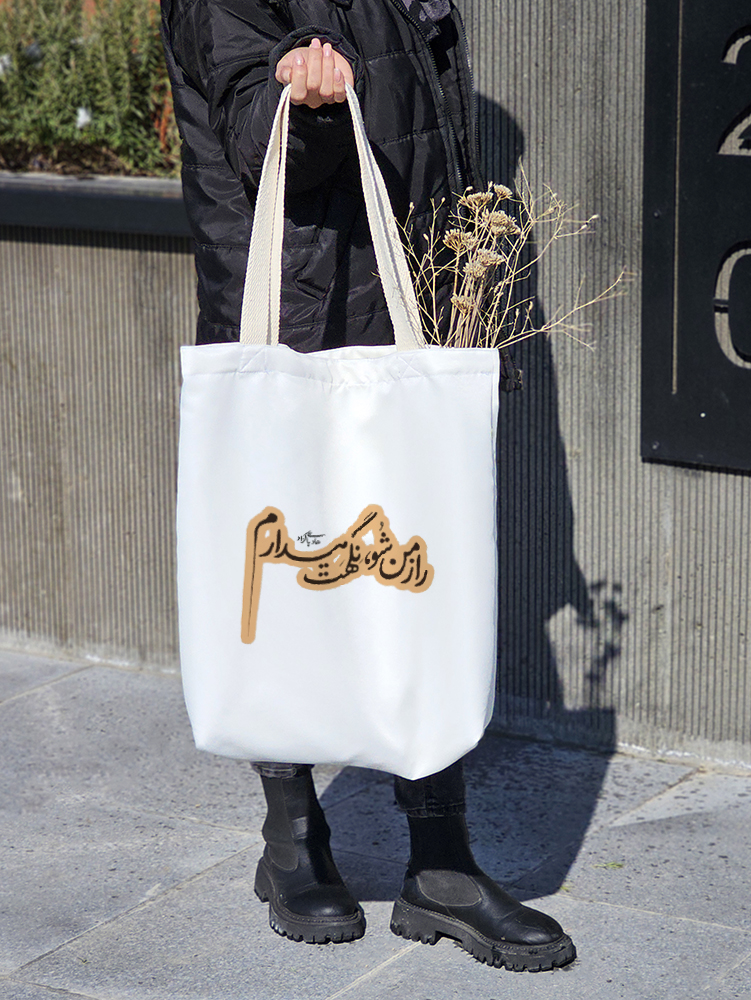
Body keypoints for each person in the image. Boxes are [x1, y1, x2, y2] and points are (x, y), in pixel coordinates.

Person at [159, 0, 574, 973]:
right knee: (287, 573)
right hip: (297, 301)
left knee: (418, 572)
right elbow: (254, 135)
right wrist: (300, 106)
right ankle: (293, 838)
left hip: (399, 298)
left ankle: (442, 861)